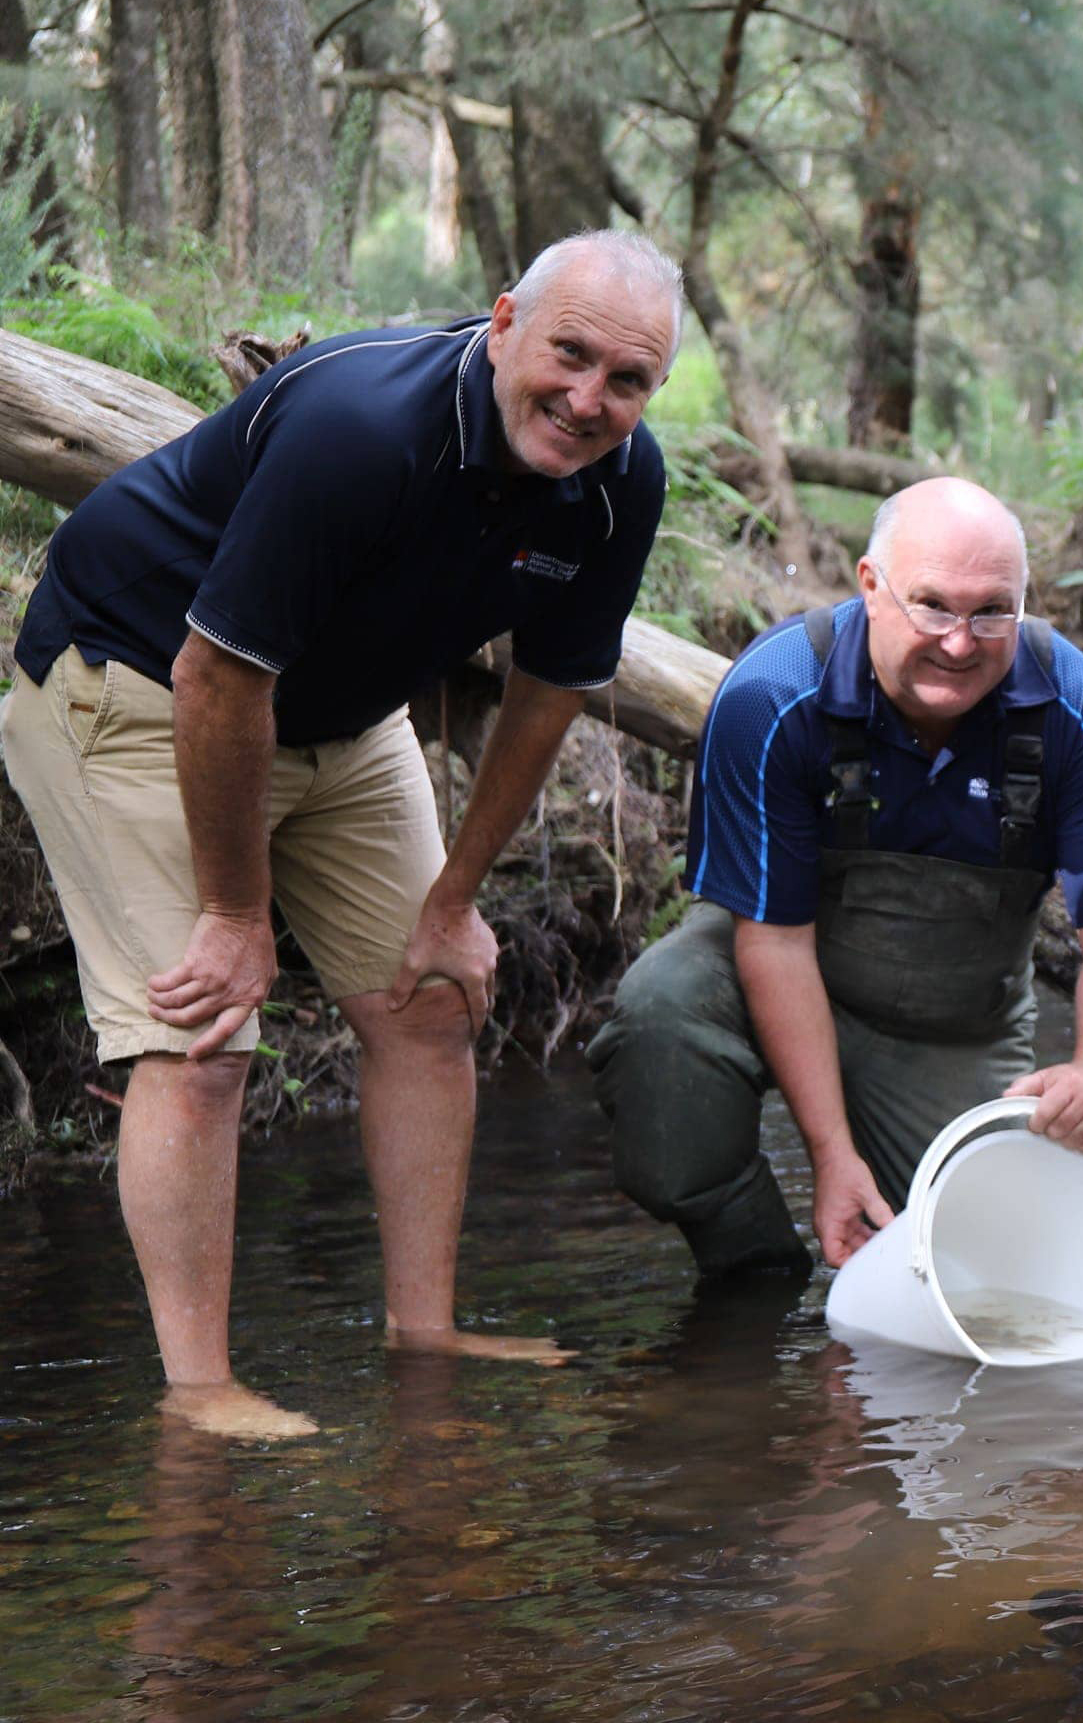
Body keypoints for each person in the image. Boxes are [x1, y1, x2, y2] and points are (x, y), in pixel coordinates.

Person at [0, 230, 685, 1438]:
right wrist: (234, 912)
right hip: (139, 677)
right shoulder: (363, 427)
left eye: (626, 381)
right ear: (504, 318)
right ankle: (200, 1390)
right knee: (203, 1035)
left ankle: (425, 1335)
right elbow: (217, 677)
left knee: (427, 998)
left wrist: (454, 901)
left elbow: (549, 689)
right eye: (568, 355)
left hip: (332, 705)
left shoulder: (623, 481)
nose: (587, 401)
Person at [588, 478, 1083, 1280]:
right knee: (662, 1013)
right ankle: (755, 1283)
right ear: (870, 586)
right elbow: (775, 942)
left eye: (991, 611)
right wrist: (829, 1155)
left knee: (1005, 1277)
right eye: (931, 605)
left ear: (1024, 605)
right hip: (783, 968)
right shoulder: (772, 695)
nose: (959, 642)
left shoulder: (1079, 715)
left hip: (954, 1023)